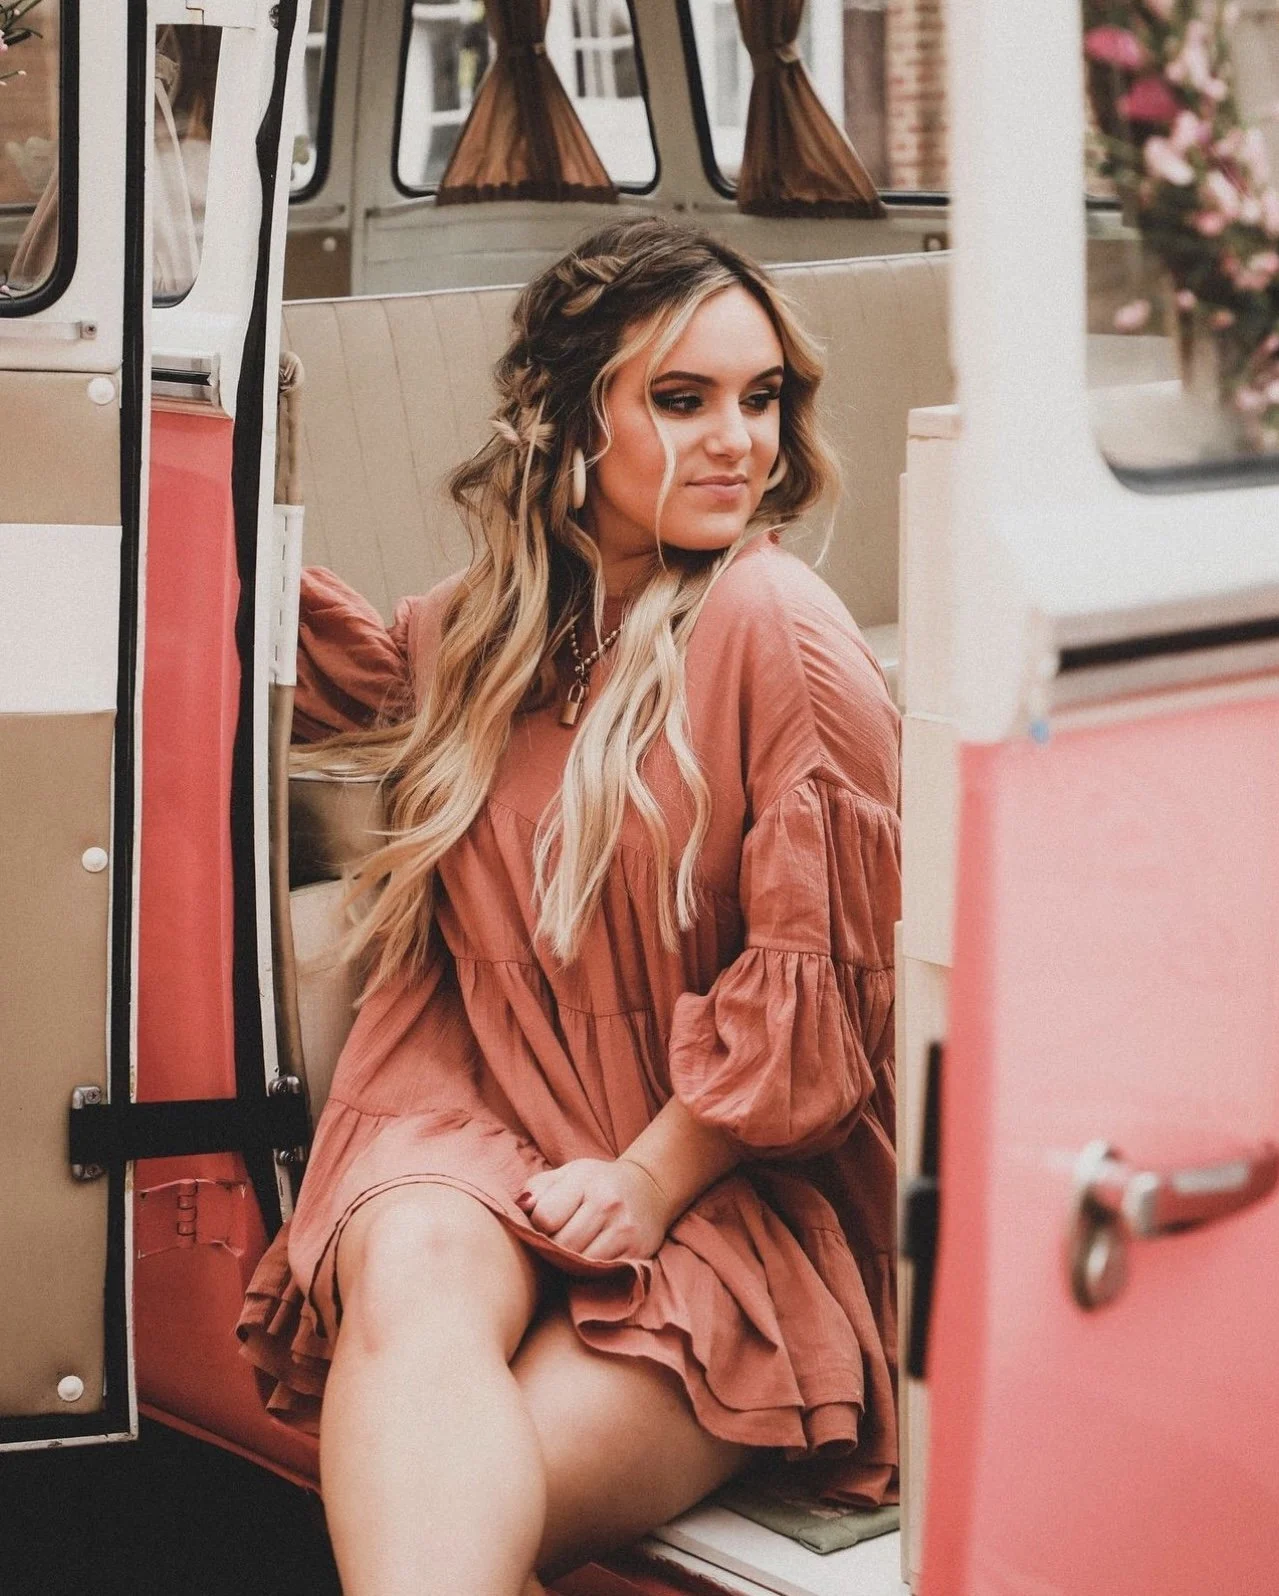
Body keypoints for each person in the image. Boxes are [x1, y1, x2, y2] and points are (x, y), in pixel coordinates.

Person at [237, 216, 901, 1596]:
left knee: (440, 1527)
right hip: (479, 1111)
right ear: (566, 421)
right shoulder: (487, 625)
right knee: (413, 1262)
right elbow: (337, 670)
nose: (738, 442)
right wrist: (191, 475)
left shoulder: (777, 628)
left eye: (761, 398)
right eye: (683, 399)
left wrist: (647, 1181)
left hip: (722, 1188)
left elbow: (816, 1012)